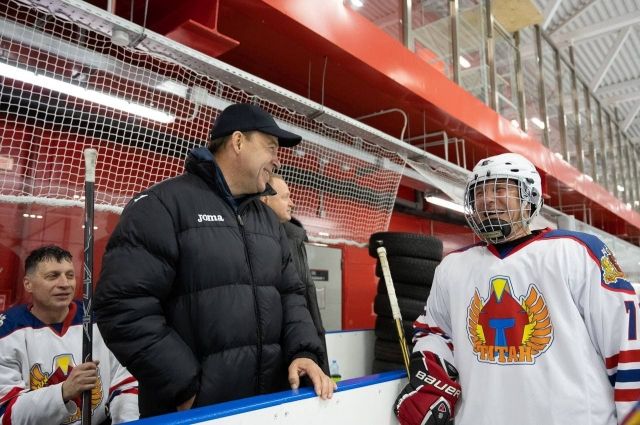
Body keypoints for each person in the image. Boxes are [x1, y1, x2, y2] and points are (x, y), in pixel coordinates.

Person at [94, 103, 335, 418]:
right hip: (194, 413)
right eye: (271, 147)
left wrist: (303, 351)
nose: (277, 160)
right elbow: (122, 306)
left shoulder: (268, 222)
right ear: (237, 142)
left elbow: (291, 296)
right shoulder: (161, 206)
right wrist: (186, 387)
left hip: (268, 409)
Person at [394, 152, 640, 425]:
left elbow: (626, 343)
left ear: (530, 199)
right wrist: (431, 380)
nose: (487, 200)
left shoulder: (579, 251)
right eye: (479, 193)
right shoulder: (452, 267)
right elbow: (434, 332)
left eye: (500, 189)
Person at [0, 245, 139, 425]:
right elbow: (5, 414)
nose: (65, 284)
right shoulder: (7, 332)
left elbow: (126, 384)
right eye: (53, 276)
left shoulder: (99, 321)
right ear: (28, 284)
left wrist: (126, 422)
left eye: (70, 275)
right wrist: (63, 392)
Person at [261, 174, 330, 374]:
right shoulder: (265, 243)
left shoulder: (293, 238)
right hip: (282, 356)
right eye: (285, 197)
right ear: (265, 199)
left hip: (303, 347)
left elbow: (303, 298)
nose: (292, 203)